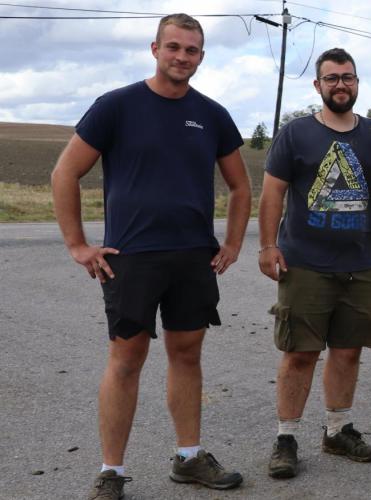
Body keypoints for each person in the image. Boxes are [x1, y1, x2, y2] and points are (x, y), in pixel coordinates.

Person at [50, 13, 250, 500]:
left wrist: (232, 243)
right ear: (155, 49)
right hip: (131, 257)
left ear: (201, 56)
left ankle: (189, 458)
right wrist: (77, 245)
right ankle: (111, 472)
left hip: (193, 258)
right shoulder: (116, 107)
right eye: (174, 47)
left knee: (187, 355)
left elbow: (241, 186)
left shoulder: (212, 114)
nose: (182, 57)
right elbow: (64, 173)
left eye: (192, 50)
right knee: (126, 360)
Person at [258, 47, 371, 479]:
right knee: (300, 353)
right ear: (318, 85)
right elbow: (272, 193)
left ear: (357, 83)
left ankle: (337, 430)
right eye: (331, 78)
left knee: (348, 351)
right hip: (305, 263)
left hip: (363, 263)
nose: (340, 85)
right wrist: (267, 246)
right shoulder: (295, 134)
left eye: (347, 77)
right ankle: (286, 438)